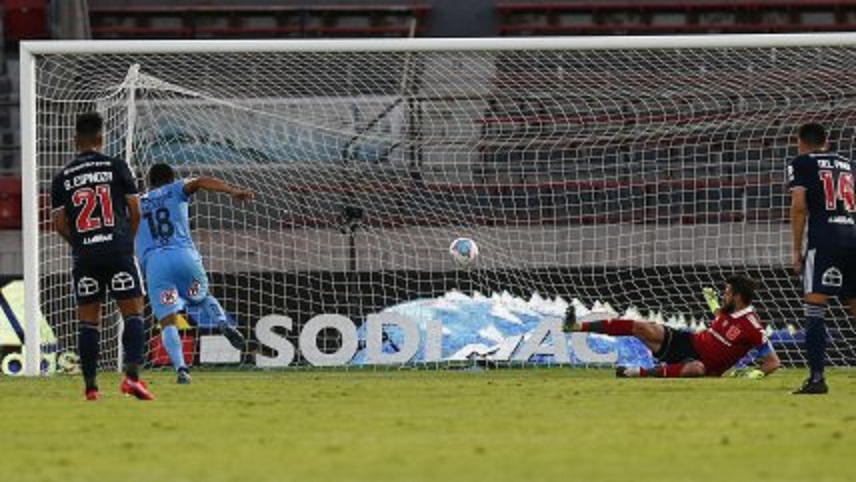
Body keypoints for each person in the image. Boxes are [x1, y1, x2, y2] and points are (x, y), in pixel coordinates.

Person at [50, 112, 154, 400]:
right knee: (133, 312)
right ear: (101, 138)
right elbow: (135, 211)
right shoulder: (117, 166)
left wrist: (82, 244)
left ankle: (91, 387)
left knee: (88, 319)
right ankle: (132, 377)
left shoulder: (61, 178)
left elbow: (59, 225)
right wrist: (125, 242)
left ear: (75, 140)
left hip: (85, 256)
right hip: (118, 250)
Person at [136, 163, 254, 384]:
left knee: (168, 321)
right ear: (171, 178)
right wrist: (233, 191)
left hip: (157, 265)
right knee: (201, 297)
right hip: (184, 258)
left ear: (149, 182)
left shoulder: (137, 202)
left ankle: (182, 369)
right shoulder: (176, 188)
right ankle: (222, 322)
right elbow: (200, 182)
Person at [563, 275, 780, 378]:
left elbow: (773, 362)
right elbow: (721, 319)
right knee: (643, 327)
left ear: (738, 297)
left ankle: (638, 373)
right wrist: (713, 303)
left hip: (706, 365)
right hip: (689, 342)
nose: (723, 296)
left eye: (726, 293)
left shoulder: (753, 327)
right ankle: (577, 326)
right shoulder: (727, 312)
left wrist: (754, 374)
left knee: (697, 369)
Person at [788, 123, 856, 394]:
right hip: (852, 237)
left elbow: (799, 207)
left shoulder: (801, 162)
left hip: (824, 241)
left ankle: (817, 379)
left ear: (801, 142)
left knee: (815, 307)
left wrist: (796, 249)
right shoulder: (848, 164)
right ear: (826, 141)